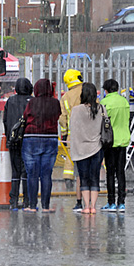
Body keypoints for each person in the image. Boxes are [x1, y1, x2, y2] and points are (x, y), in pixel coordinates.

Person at [21, 78, 61, 212]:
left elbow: (25, 116)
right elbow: (57, 116)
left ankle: (32, 205)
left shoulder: (32, 102)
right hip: (50, 139)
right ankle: (46, 206)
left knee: (32, 174)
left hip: (31, 138)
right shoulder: (55, 103)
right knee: (46, 174)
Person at [69, 82, 106, 215]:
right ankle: (93, 206)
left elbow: (71, 127)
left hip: (80, 149)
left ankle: (86, 206)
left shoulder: (76, 110)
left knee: (83, 178)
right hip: (96, 148)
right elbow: (105, 126)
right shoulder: (101, 108)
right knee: (94, 177)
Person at [99, 79, 130, 212]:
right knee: (120, 172)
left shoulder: (104, 103)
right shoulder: (124, 101)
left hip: (110, 141)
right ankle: (121, 202)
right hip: (123, 140)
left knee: (110, 172)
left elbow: (101, 123)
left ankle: (111, 202)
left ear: (105, 90)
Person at [2, 77, 32, 210]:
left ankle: (13, 200)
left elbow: (5, 120)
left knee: (15, 172)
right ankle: (27, 200)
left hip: (14, 140)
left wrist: (9, 135)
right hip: (28, 140)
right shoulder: (32, 102)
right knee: (26, 171)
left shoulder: (11, 101)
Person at [58, 69, 84, 210]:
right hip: (87, 132)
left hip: (72, 132)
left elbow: (63, 118)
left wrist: (64, 132)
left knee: (70, 155)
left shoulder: (65, 97)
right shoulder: (86, 91)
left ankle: (68, 178)